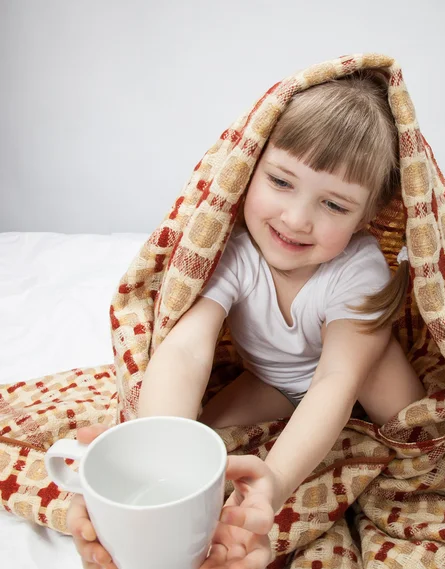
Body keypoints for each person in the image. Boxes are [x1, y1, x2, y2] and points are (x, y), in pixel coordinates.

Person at [67, 70, 426, 569]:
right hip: (274, 383)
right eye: (281, 181)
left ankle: (375, 439)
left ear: (368, 215)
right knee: (197, 451)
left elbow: (333, 384)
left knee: (413, 435)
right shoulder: (232, 248)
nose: (297, 219)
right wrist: (155, 444)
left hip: (352, 378)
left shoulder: (356, 267)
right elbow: (186, 348)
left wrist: (275, 483)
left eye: (334, 204)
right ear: (249, 168)